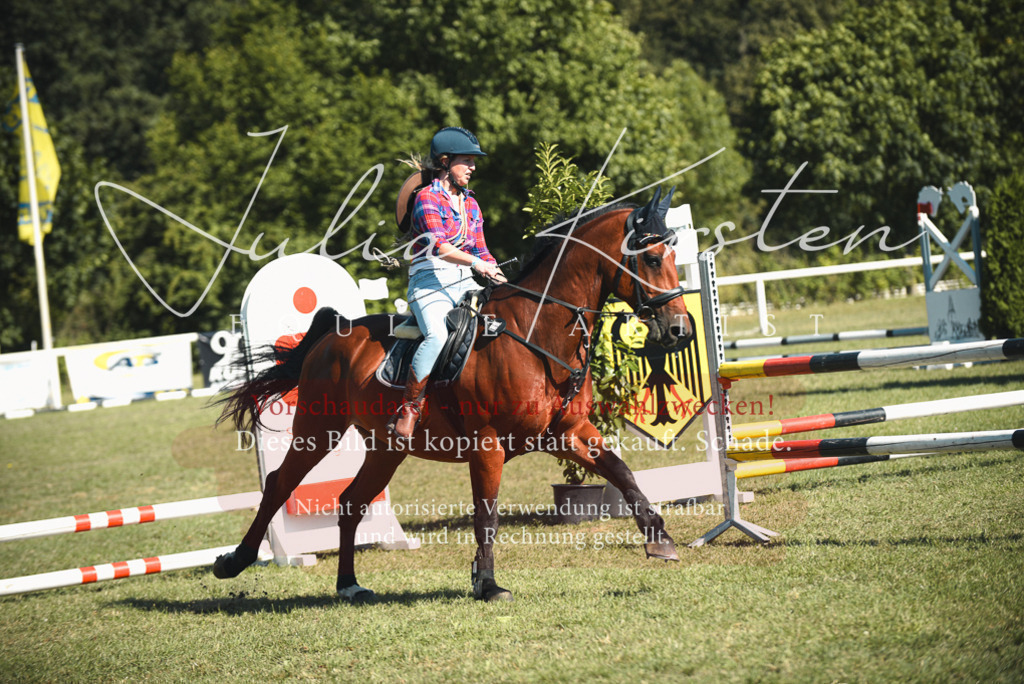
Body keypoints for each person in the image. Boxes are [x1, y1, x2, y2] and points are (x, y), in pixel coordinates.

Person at [393, 126, 505, 439]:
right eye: (466, 160)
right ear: (445, 162)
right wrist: (479, 264)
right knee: (437, 336)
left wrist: (500, 277)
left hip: (465, 280)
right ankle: (409, 407)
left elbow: (481, 250)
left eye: (473, 161)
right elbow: (441, 248)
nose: (473, 167)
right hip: (429, 281)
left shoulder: (471, 203)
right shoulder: (427, 199)